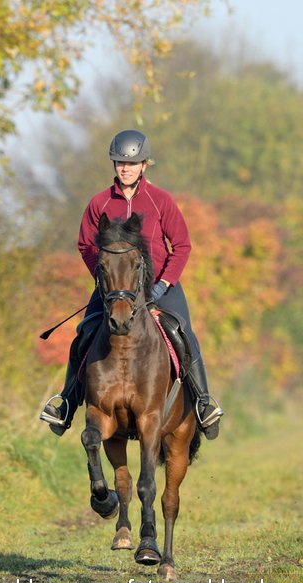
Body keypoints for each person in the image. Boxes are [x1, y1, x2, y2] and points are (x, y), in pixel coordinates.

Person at [40, 130, 224, 439]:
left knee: (183, 333)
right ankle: (67, 403)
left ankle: (204, 403)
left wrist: (164, 284)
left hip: (160, 285)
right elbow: (86, 246)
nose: (125, 168)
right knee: (84, 332)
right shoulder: (99, 203)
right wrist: (104, 280)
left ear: (144, 165)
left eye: (132, 163)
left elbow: (181, 246)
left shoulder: (161, 200)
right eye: (120, 163)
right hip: (113, 287)